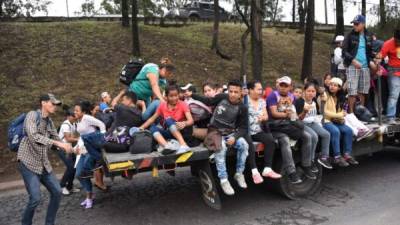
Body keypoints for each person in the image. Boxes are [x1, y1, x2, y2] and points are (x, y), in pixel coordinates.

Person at [17, 93, 73, 225]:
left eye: (56, 104)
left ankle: (49, 223)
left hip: (43, 164)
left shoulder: (50, 122)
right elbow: (33, 136)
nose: (55, 106)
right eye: (52, 103)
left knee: (57, 192)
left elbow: (56, 139)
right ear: (43, 103)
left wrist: (70, 148)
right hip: (28, 162)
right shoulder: (32, 115)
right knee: (35, 198)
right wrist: (58, 144)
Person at [192, 80, 251, 195]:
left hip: (229, 133)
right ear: (228, 91)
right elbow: (208, 101)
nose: (233, 94)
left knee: (244, 145)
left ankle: (239, 173)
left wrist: (235, 137)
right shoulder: (222, 97)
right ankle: (224, 180)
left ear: (241, 94)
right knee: (221, 147)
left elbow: (243, 128)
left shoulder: (243, 108)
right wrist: (192, 95)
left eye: (236, 92)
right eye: (231, 91)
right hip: (214, 131)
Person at [267, 76, 316, 182]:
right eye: (281, 85)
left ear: (290, 87)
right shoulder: (273, 95)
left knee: (307, 136)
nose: (283, 88)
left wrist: (302, 113)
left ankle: (306, 165)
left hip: (287, 125)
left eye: (286, 85)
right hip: (275, 126)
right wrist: (287, 115)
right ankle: (291, 172)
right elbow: (274, 113)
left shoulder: (291, 97)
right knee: (285, 140)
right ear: (278, 85)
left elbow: (293, 115)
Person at [140, 84, 194, 154]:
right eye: (171, 96)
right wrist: (141, 127)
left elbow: (191, 121)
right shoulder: (162, 106)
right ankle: (167, 146)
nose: (174, 98)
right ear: (166, 97)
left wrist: (184, 123)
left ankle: (183, 145)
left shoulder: (183, 104)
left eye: (176, 95)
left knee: (168, 120)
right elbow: (152, 119)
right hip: (171, 132)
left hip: (183, 131)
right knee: (152, 128)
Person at [74, 101, 107, 209]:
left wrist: (101, 139)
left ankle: (89, 197)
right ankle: (90, 195)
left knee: (84, 172)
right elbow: (82, 136)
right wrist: (76, 147)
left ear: (83, 112)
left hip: (91, 150)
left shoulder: (87, 118)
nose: (74, 112)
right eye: (74, 110)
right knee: (79, 174)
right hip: (82, 149)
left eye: (77, 110)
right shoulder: (78, 121)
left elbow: (101, 125)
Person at [247, 81, 281, 183]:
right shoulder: (244, 101)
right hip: (246, 131)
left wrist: (263, 118)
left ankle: (267, 168)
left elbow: (266, 115)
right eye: (258, 89)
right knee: (249, 144)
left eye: (261, 89)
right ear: (250, 90)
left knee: (270, 140)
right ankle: (254, 172)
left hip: (258, 130)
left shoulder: (262, 101)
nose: (261, 91)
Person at [343, 15, 376, 113]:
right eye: (353, 24)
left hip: (365, 67)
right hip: (353, 66)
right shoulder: (349, 35)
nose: (354, 26)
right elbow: (344, 51)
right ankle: (351, 114)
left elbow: (369, 53)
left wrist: (371, 62)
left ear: (363, 24)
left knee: (363, 91)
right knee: (352, 91)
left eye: (357, 24)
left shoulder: (369, 35)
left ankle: (361, 113)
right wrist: (353, 60)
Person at [322, 78, 359, 167]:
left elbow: (341, 113)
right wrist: (339, 115)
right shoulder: (325, 95)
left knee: (348, 130)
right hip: (326, 121)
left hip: (336, 121)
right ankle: (337, 156)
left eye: (335, 85)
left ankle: (347, 154)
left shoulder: (340, 97)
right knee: (335, 131)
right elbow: (324, 112)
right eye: (331, 84)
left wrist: (341, 117)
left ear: (339, 88)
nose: (332, 87)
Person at [295, 83, 332, 169]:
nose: (311, 93)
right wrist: (304, 112)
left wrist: (319, 122)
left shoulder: (314, 101)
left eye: (313, 91)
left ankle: (324, 157)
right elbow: (296, 118)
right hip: (302, 124)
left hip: (312, 123)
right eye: (308, 91)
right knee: (314, 136)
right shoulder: (299, 101)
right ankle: (310, 161)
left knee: (326, 134)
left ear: (315, 93)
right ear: (304, 91)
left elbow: (317, 114)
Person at [377, 29, 400, 124]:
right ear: (394, 38)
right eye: (397, 41)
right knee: (394, 94)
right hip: (394, 71)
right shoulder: (388, 44)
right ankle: (390, 116)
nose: (399, 43)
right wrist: (378, 60)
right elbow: (380, 55)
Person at [58, 106, 80, 195]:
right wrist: (78, 139)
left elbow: (73, 137)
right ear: (68, 116)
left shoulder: (73, 124)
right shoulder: (65, 125)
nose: (75, 117)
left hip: (69, 148)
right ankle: (62, 186)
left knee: (74, 168)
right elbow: (68, 139)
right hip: (62, 149)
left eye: (75, 115)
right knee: (71, 167)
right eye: (73, 115)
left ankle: (69, 187)